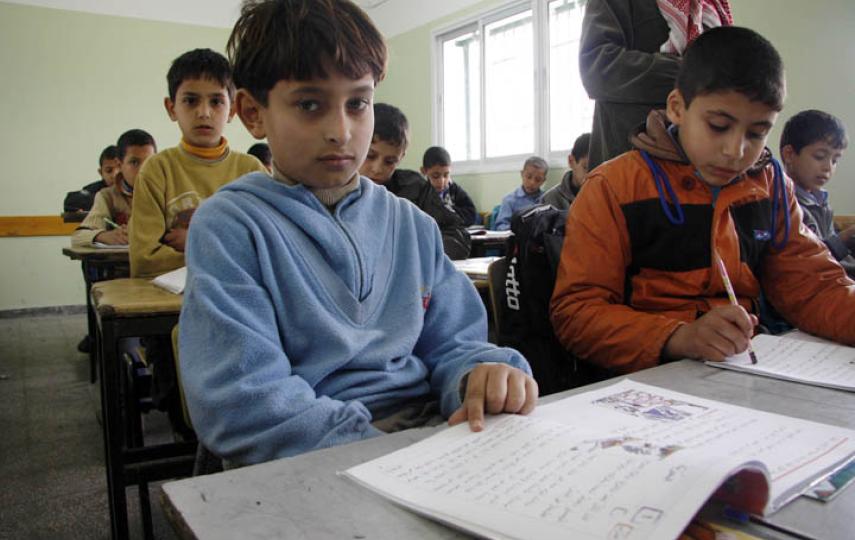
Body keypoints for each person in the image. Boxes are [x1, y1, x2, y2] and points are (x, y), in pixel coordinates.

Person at [179, 0, 537, 467]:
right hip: (311, 457)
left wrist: (480, 376)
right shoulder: (230, 226)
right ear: (252, 113)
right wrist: (388, 455)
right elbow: (243, 401)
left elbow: (457, 344)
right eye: (309, 104)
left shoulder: (413, 225)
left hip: (432, 440)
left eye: (358, 103)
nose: (341, 131)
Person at [550, 27, 855, 376]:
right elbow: (577, 314)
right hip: (643, 378)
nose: (735, 151)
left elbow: (813, 287)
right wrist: (679, 336)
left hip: (743, 371)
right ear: (677, 108)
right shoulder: (613, 186)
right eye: (718, 125)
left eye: (756, 133)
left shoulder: (771, 185)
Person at [129, 47, 266, 279]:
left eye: (216, 101)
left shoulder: (252, 172)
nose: (204, 112)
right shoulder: (157, 170)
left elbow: (268, 252)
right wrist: (231, 253)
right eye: (191, 101)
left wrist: (193, 241)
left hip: (241, 301)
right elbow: (145, 260)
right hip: (171, 305)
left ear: (233, 110)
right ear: (171, 108)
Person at [579, 0, 732, 170]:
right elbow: (597, 68)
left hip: (703, 159)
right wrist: (691, 74)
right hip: (632, 160)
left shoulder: (714, 5)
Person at [360, 103, 471, 259]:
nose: (377, 168)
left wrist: (415, 254)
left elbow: (457, 236)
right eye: (369, 156)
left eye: (390, 161)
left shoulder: (414, 188)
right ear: (355, 146)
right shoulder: (332, 188)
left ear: (401, 157)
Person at [780, 110, 854, 279]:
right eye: (820, 156)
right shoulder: (787, 205)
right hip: (827, 284)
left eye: (835, 160)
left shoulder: (820, 200)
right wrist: (845, 238)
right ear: (789, 155)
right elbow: (810, 260)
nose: (828, 167)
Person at [71, 130, 157, 248]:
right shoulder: (108, 196)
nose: (143, 169)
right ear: (120, 164)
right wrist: (105, 236)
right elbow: (78, 237)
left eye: (149, 161)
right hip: (120, 264)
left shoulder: (167, 192)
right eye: (134, 162)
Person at [421, 146, 477, 226]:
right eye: (435, 176)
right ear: (424, 171)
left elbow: (472, 215)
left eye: (446, 175)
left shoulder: (454, 189)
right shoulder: (420, 191)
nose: (442, 181)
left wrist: (444, 211)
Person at [493, 156, 548, 231]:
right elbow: (501, 226)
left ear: (543, 181)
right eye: (528, 177)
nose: (532, 182)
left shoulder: (547, 199)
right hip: (516, 239)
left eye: (538, 180)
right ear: (522, 174)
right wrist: (518, 230)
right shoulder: (509, 200)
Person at [63, 145, 122, 213]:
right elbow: (71, 201)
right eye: (109, 170)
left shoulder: (135, 187)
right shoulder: (96, 189)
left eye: (120, 168)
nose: (115, 175)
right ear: (101, 173)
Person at [542, 133, 591, 211]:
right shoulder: (550, 199)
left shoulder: (606, 196)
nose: (592, 175)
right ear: (571, 161)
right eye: (586, 168)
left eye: (598, 169)